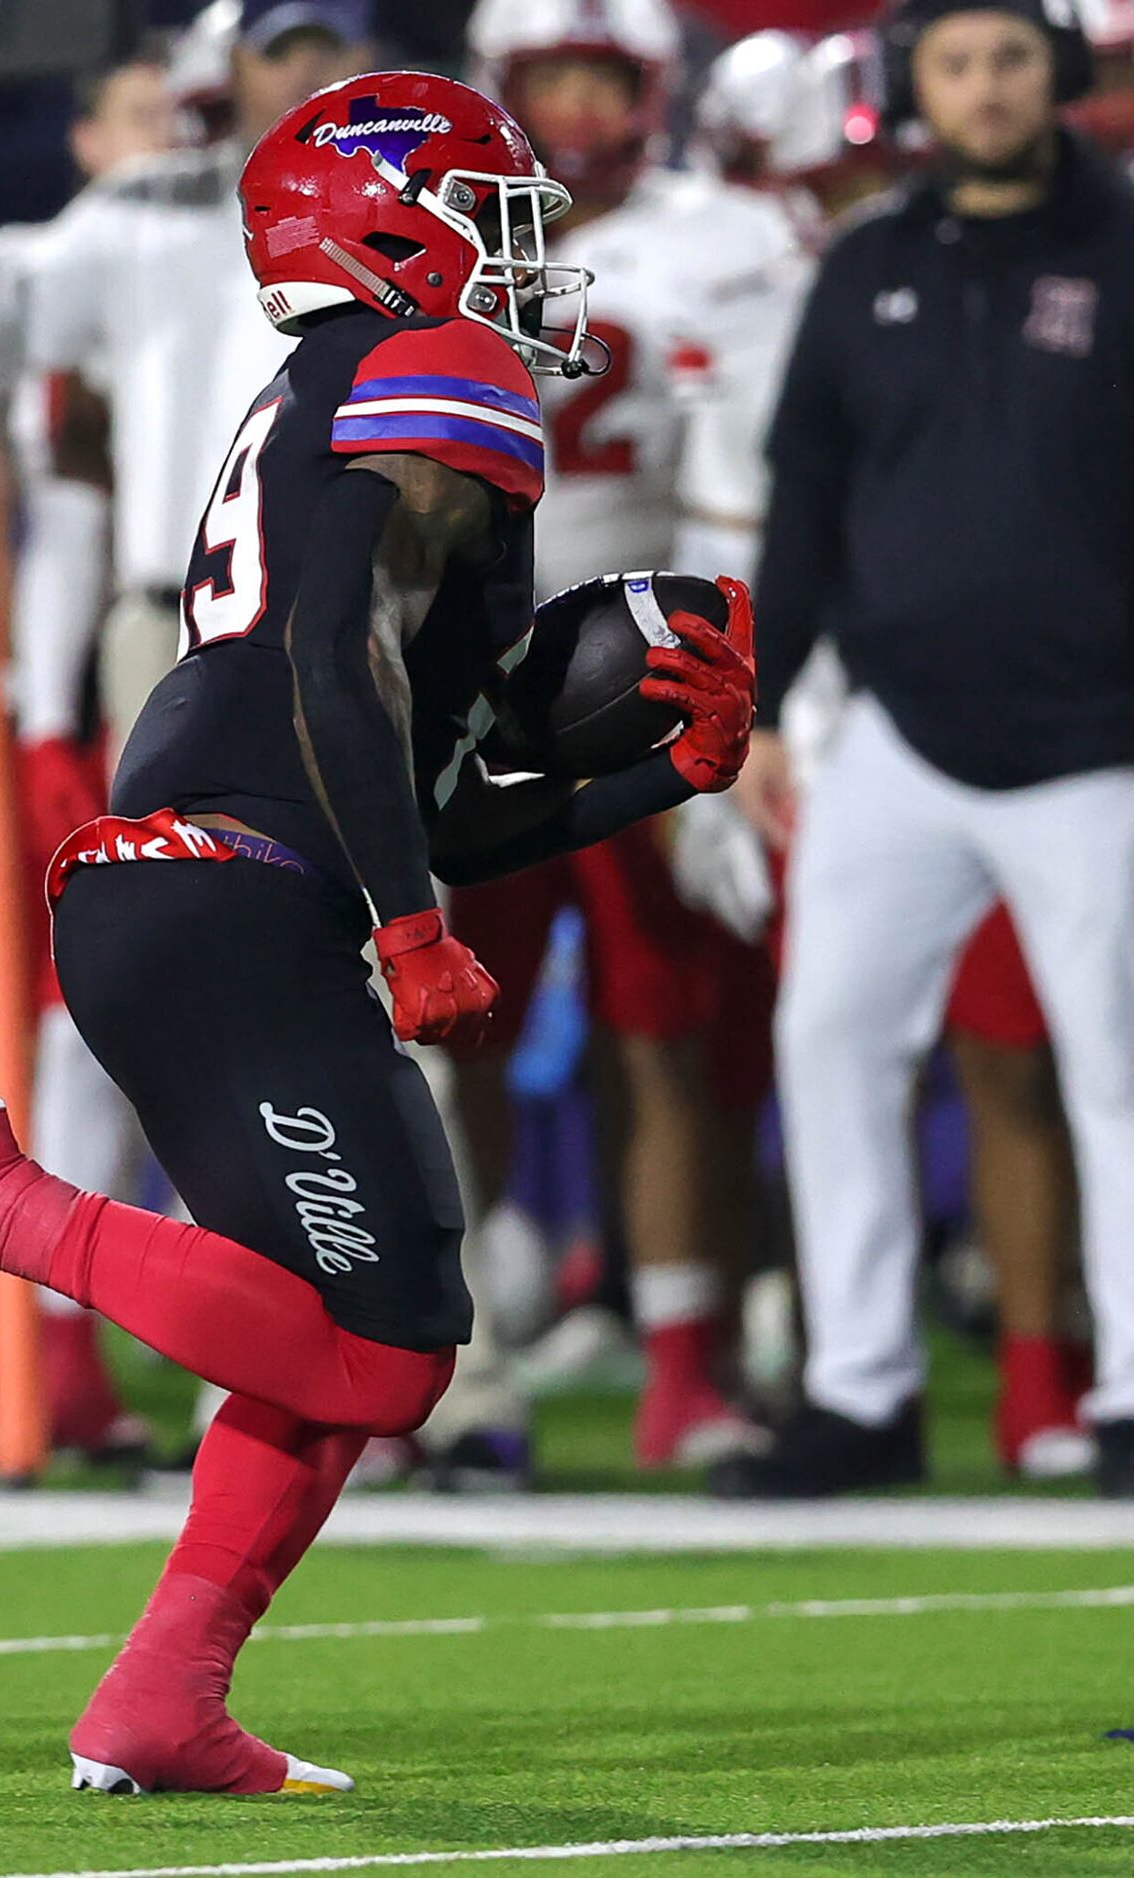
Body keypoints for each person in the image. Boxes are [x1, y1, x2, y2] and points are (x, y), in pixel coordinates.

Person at [0, 71, 756, 1792]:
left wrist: (649, 774)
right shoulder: (437, 366)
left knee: (329, 1326)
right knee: (387, 1341)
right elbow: (326, 671)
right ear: (387, 224)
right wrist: (413, 925)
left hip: (205, 877)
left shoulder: (346, 384)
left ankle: (161, 1697)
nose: (529, 259)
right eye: (496, 218)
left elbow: (426, 772)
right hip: (230, 882)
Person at [0, 0, 378, 1433]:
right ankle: (73, 1348)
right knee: (130, 992)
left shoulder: (434, 208)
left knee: (325, 997)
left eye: (333, 45)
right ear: (235, 69)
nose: (309, 73)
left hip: (370, 627)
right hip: (179, 629)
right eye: (284, 46)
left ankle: (324, 1343)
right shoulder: (161, 207)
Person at [721, 0, 1134, 1501]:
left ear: (1062, 76)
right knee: (827, 1038)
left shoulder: (1126, 243)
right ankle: (859, 1390)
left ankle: (1132, 1393)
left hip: (1101, 738)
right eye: (956, 62)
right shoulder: (868, 265)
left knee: (1118, 1067)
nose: (986, 87)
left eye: (1014, 58)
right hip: (898, 730)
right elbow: (804, 495)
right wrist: (758, 702)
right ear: (914, 89)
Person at [436, 0, 805, 1479]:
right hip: (468, 673)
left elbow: (751, 481)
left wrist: (740, 699)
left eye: (605, 74)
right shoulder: (440, 234)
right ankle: (457, 1353)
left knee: (669, 1030)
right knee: (455, 1021)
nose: (580, 107)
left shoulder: (733, 239)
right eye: (554, 76)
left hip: (640, 664)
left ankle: (680, 1355)